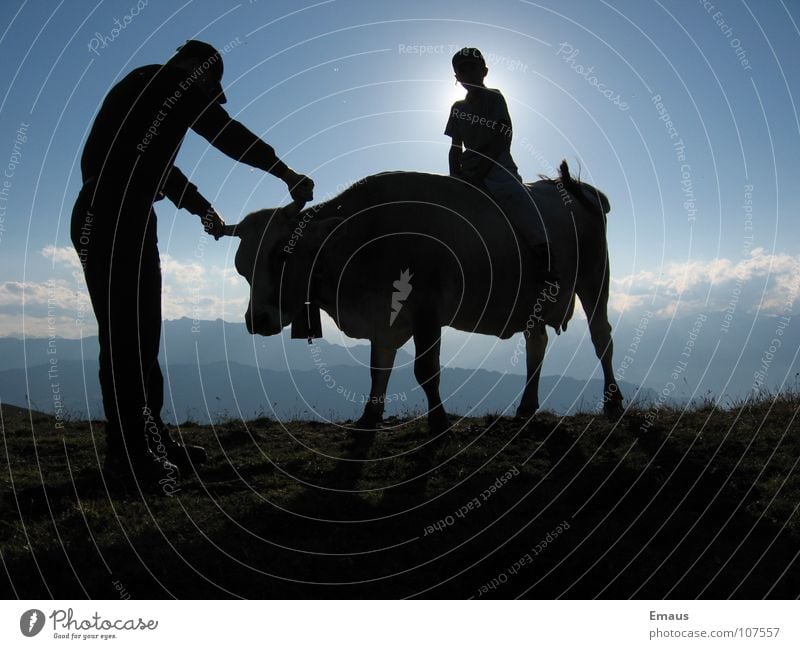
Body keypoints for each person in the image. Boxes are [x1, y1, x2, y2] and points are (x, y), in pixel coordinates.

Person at [71, 40, 314, 492]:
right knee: (127, 338)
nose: (206, 98)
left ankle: (151, 443)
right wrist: (285, 172)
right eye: (208, 87)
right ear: (197, 70)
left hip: (125, 215)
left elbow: (160, 171)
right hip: (110, 216)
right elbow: (226, 133)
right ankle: (129, 460)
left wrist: (202, 210)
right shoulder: (162, 81)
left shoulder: (147, 102)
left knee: (141, 337)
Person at [445, 47, 557, 284]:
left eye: (472, 68)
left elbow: (502, 136)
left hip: (498, 167)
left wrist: (483, 170)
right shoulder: (457, 108)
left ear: (484, 71)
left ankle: (545, 256)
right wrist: (455, 177)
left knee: (517, 199)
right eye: (461, 70)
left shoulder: (494, 98)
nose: (467, 73)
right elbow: (455, 146)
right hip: (468, 170)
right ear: (456, 77)